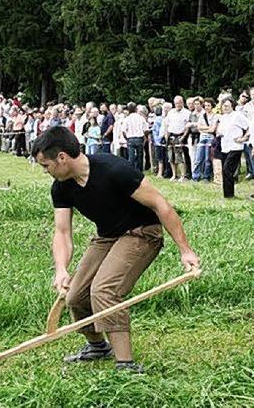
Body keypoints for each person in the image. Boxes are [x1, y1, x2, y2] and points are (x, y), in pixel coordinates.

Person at [31, 126, 199, 373]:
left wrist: (185, 250)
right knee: (75, 295)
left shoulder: (113, 170)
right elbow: (62, 231)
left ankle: (126, 364)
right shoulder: (62, 186)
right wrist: (61, 269)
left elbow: (161, 205)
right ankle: (98, 346)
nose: (45, 171)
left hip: (143, 233)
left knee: (104, 289)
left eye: (46, 165)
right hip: (107, 236)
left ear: (62, 158)